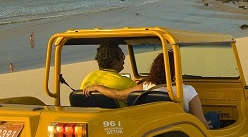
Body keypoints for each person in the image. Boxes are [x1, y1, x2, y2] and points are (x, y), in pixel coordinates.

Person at [83, 53, 220, 129]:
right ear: (176, 70)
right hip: (183, 129)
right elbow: (201, 123)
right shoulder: (187, 91)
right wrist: (205, 123)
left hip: (156, 128)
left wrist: (97, 87)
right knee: (213, 116)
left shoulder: (145, 86)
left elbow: (117, 95)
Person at [80, 42, 137, 106]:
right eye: (122, 57)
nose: (123, 60)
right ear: (114, 61)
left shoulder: (88, 78)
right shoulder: (127, 83)